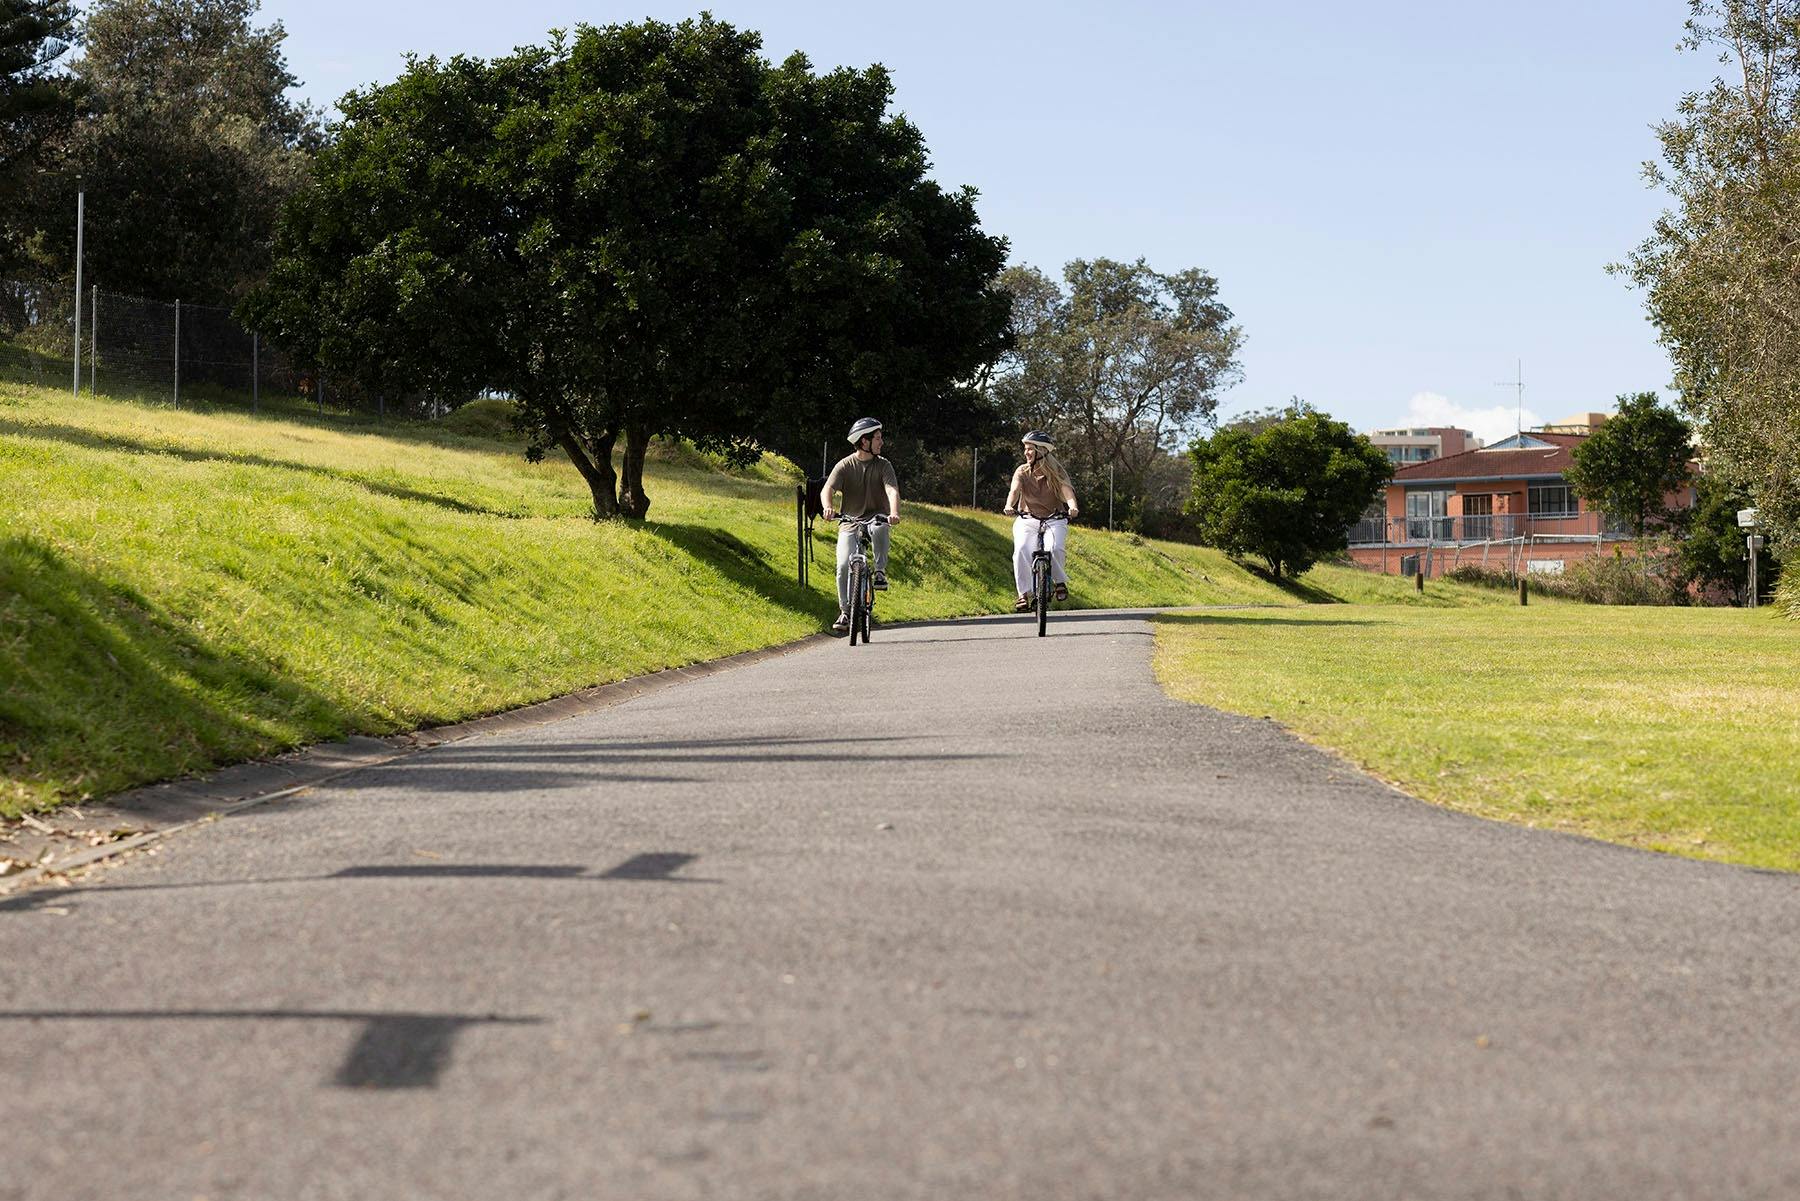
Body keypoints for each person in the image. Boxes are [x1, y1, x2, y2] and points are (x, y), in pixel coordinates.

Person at [820, 416, 901, 636]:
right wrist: (828, 507)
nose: (881, 442)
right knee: (843, 566)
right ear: (864, 441)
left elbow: (892, 490)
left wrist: (893, 513)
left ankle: (880, 572)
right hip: (850, 521)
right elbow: (827, 489)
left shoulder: (884, 465)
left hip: (877, 517)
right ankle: (845, 612)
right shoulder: (845, 465)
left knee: (881, 527)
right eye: (877, 438)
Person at [1002, 431, 1079, 611]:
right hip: (1027, 519)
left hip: (1055, 518)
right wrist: (1009, 505)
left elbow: (1068, 492)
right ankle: (1023, 594)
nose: (1026, 453)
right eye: (1026, 449)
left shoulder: (1057, 471)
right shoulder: (1022, 471)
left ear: (1041, 451)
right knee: (1021, 549)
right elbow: (1014, 490)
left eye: (1030, 449)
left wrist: (1072, 506)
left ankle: (1059, 582)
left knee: (1055, 548)